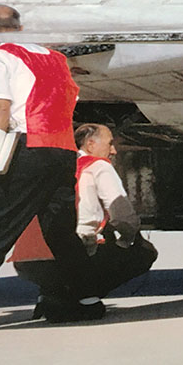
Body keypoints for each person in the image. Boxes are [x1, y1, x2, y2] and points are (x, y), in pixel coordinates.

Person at [0, 5, 100, 329]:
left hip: (31, 149)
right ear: (20, 27)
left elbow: (0, 110)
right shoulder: (56, 58)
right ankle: (88, 301)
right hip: (64, 149)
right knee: (61, 233)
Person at [10, 123, 158, 322]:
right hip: (74, 258)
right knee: (144, 253)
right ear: (90, 144)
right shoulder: (99, 166)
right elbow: (122, 215)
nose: (113, 151)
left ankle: (50, 295)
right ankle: (82, 298)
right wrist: (128, 239)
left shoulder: (56, 166)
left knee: (57, 241)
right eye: (110, 144)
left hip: (27, 261)